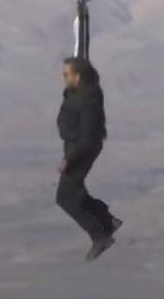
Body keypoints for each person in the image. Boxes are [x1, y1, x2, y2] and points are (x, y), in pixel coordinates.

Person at [55, 56, 122, 261]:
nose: (63, 78)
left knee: (65, 197)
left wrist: (71, 159)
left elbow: (88, 135)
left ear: (78, 75)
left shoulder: (89, 98)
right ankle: (107, 219)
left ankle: (100, 235)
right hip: (74, 148)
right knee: (77, 192)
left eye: (66, 74)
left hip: (82, 150)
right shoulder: (78, 92)